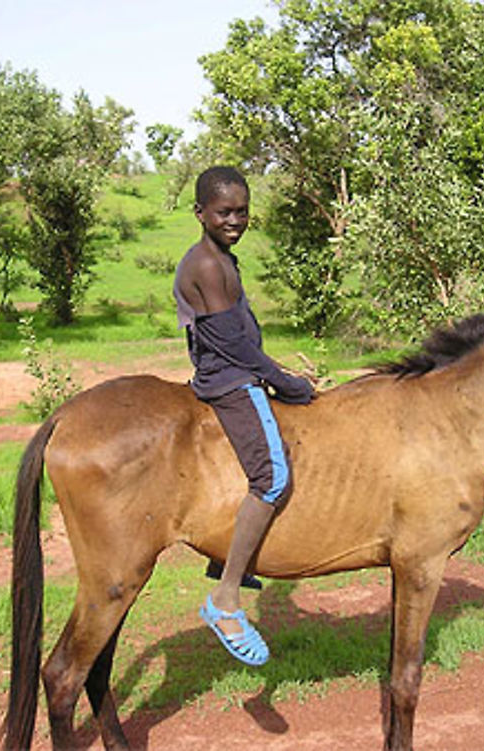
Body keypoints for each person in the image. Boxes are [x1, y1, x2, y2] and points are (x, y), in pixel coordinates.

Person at [173, 166, 315, 666]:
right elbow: (231, 343)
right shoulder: (208, 266)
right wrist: (284, 381)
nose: (235, 219)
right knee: (272, 476)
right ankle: (227, 597)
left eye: (242, 211)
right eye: (224, 212)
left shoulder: (219, 257)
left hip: (235, 371)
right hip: (232, 382)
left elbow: (237, 331)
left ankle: (224, 559)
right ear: (200, 214)